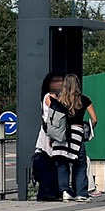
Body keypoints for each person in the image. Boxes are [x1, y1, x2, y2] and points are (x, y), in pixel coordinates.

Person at [45, 73, 97, 202]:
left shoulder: (59, 100)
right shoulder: (84, 100)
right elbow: (95, 119)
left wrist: (52, 138)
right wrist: (88, 130)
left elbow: (53, 119)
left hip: (61, 133)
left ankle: (65, 192)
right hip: (77, 134)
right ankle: (81, 193)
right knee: (80, 163)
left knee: (62, 162)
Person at [33, 72, 64, 201]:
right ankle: (50, 192)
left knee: (52, 163)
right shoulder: (49, 97)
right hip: (49, 135)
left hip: (50, 134)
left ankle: (51, 191)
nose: (60, 83)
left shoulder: (50, 97)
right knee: (50, 163)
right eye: (56, 81)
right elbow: (51, 117)